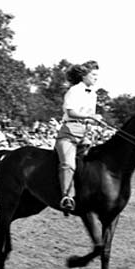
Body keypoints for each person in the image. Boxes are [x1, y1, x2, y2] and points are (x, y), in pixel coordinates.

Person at [55, 61, 102, 214]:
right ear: (84, 76)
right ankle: (66, 197)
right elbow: (71, 113)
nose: (96, 78)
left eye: (97, 75)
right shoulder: (74, 91)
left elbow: (89, 117)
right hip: (69, 132)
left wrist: (91, 123)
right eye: (93, 75)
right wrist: (90, 116)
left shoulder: (93, 94)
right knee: (69, 164)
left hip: (85, 133)